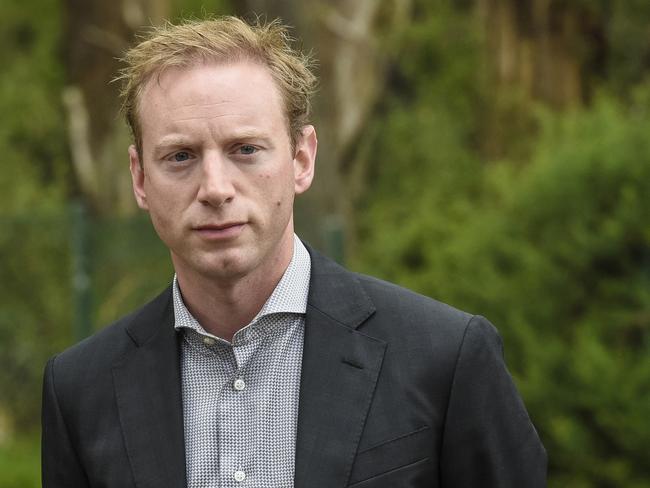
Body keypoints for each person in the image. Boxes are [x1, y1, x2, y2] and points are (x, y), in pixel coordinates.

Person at [41, 16, 546, 488]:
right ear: (139, 178)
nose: (215, 188)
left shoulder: (446, 358)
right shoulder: (79, 391)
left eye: (246, 149)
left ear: (302, 159)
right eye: (180, 156)